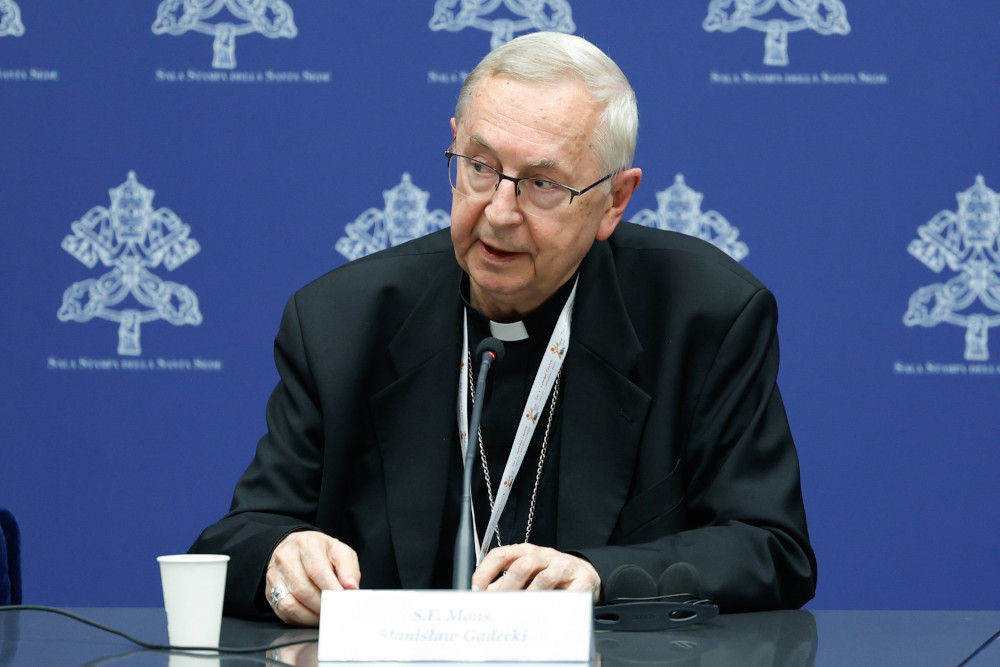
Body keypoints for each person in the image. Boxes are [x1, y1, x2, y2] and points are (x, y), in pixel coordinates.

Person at [190, 31, 817, 625]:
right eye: (480, 167)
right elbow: (235, 540)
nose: (499, 212)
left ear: (615, 200)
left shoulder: (704, 317)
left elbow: (770, 548)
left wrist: (601, 579)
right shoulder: (339, 322)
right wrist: (282, 560)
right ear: (455, 145)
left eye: (542, 184)